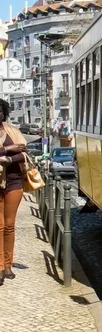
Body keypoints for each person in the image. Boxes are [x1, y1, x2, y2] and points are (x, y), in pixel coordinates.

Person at [0, 100, 27, 286]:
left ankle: (8, 264)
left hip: (14, 182)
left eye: (0, 110)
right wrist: (8, 149)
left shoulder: (12, 131)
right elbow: (15, 149)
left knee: (9, 225)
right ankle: (0, 266)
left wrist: (8, 159)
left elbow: (24, 152)